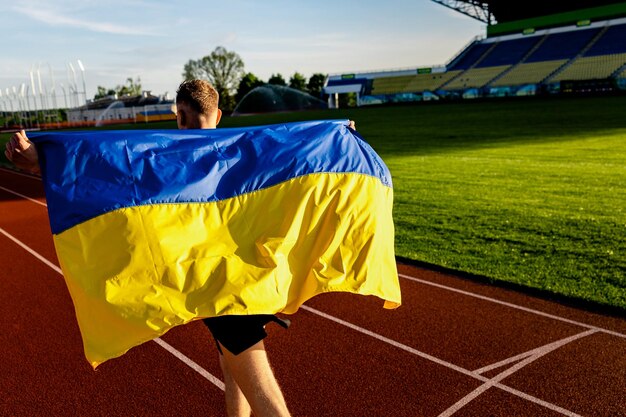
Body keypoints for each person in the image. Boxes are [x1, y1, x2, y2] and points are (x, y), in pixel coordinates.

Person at [6, 79, 292, 417]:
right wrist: (340, 133)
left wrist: (42, 158)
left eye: (184, 117)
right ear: (218, 116)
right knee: (232, 367)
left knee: (266, 398)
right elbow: (291, 147)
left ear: (180, 117)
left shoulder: (165, 156)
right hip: (242, 276)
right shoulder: (241, 148)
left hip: (224, 285)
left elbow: (105, 161)